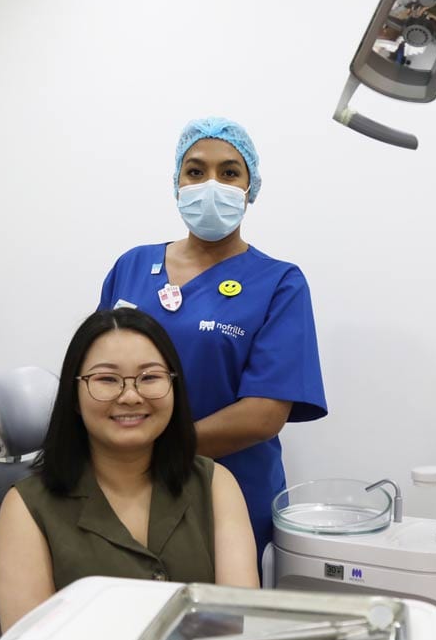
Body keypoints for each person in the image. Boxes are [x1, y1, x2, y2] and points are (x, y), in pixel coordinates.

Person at [98, 117, 328, 566]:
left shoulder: (279, 283)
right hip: (123, 490)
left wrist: (154, 449)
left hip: (229, 499)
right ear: (177, 182)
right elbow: (96, 374)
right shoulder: (131, 266)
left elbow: (264, 414)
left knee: (222, 627)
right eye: (196, 171)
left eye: (229, 173)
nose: (210, 185)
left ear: (250, 188)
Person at [0, 308, 258, 630]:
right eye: (107, 379)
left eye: (150, 377)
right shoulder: (26, 507)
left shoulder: (215, 485)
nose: (131, 396)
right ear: (74, 396)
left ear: (174, 386)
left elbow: (239, 627)